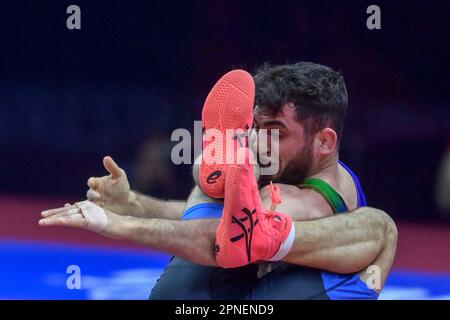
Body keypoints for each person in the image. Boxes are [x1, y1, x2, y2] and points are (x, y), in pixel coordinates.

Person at [40, 64, 397, 299]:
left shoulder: (314, 198)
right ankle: (222, 180)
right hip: (234, 291)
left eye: (275, 132)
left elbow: (216, 239)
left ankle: (225, 182)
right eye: (255, 128)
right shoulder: (279, 168)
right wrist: (134, 203)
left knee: (381, 228)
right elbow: (218, 225)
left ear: (325, 142)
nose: (259, 142)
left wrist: (118, 223)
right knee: (220, 197)